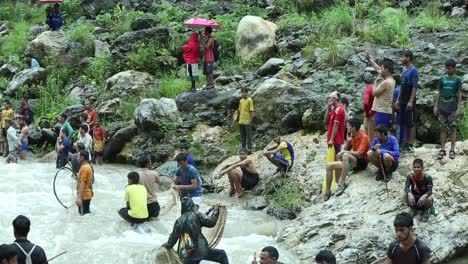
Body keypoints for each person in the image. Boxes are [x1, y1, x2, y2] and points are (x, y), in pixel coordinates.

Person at [161, 197, 228, 264]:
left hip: (186, 254)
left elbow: (172, 240)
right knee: (222, 255)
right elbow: (211, 222)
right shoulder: (197, 214)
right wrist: (216, 210)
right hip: (200, 250)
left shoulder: (178, 221)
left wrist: (165, 245)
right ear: (192, 206)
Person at [323, 118, 370, 200]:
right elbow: (344, 150)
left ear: (354, 128)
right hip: (353, 161)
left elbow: (359, 154)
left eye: (348, 126)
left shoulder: (364, 137)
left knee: (345, 155)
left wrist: (344, 152)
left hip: (362, 162)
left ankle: (342, 183)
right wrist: (348, 142)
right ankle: (327, 192)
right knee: (329, 166)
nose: (346, 127)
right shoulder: (352, 136)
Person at [434, 59, 462, 160]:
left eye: (449, 68)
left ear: (454, 68)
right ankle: (442, 149)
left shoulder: (458, 79)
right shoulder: (442, 78)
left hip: (453, 106)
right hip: (442, 106)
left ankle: (452, 149)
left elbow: (459, 94)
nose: (447, 70)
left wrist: (459, 108)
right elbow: (439, 92)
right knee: (442, 128)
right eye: (446, 68)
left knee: (453, 128)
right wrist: (435, 106)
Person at [366, 53, 396, 129]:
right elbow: (378, 68)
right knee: (383, 132)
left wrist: (375, 82)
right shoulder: (392, 80)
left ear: (387, 70)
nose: (380, 70)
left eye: (382, 69)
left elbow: (374, 93)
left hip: (381, 111)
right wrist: (369, 60)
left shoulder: (386, 82)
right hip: (385, 111)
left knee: (381, 133)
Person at [398, 50, 419, 154]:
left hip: (409, 99)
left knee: (410, 122)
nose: (401, 59)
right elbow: (402, 85)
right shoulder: (403, 69)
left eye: (403, 57)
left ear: (409, 58)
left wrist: (411, 101)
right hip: (402, 99)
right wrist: (398, 99)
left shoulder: (414, 70)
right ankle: (405, 143)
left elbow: (415, 86)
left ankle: (410, 144)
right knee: (403, 122)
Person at [135, 155, 161, 220]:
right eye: (150, 162)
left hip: (141, 206)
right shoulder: (154, 173)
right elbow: (160, 183)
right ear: (147, 164)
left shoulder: (134, 174)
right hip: (154, 206)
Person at [237, 87, 255, 153]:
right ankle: (243, 148)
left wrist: (250, 121)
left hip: (247, 121)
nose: (242, 94)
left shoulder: (250, 100)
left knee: (248, 136)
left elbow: (252, 111)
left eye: (243, 93)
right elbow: (239, 110)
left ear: (246, 93)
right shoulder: (241, 101)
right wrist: (238, 118)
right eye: (241, 93)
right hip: (241, 121)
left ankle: (250, 149)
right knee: (242, 136)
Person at [76, 150, 93, 215]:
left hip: (84, 196)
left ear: (82, 157)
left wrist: (79, 197)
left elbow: (83, 183)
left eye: (78, 156)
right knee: (86, 214)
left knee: (82, 216)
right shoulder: (88, 166)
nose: (77, 158)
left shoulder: (84, 168)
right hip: (87, 194)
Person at [392, 75, 406, 144]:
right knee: (404, 129)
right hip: (405, 112)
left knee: (397, 130)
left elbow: (394, 105)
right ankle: (403, 145)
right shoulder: (403, 89)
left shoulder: (395, 91)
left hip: (398, 113)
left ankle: (397, 146)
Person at [363, 72, 376, 141]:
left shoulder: (367, 89)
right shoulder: (375, 88)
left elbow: (366, 102)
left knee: (368, 136)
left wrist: (367, 113)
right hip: (376, 113)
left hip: (370, 115)